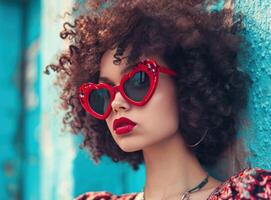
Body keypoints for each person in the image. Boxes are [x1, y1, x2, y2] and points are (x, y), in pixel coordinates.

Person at [46, 0, 271, 199]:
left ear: (186, 81)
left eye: (138, 81)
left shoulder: (249, 193)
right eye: (102, 94)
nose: (116, 103)